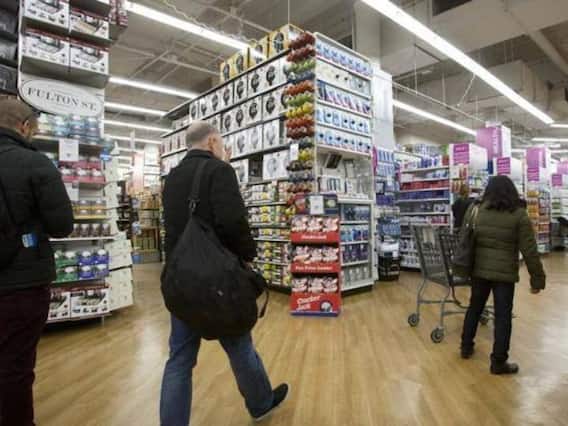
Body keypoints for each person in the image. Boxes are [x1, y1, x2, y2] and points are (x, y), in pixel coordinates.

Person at [160, 121, 288, 425]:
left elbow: (173, 227)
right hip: (217, 280)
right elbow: (233, 222)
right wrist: (247, 256)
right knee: (239, 345)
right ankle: (261, 403)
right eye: (220, 142)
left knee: (179, 359)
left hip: (181, 279)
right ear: (212, 142)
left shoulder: (172, 177)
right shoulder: (220, 171)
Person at [0, 99, 74, 425]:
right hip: (22, 281)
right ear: (24, 126)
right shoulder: (36, 163)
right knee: (15, 365)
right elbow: (62, 225)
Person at [460, 175, 545, 375]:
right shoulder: (519, 215)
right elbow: (530, 250)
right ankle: (498, 362)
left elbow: (465, 238)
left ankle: (466, 347)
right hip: (504, 275)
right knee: (503, 316)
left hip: (479, 270)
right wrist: (537, 279)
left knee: (475, 308)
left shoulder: (477, 210)